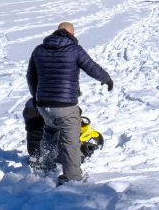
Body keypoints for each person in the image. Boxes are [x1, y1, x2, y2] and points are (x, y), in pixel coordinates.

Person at [26, 22, 113, 185]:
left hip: (44, 104)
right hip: (65, 105)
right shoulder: (74, 50)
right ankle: (72, 177)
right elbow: (92, 68)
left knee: (50, 131)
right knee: (70, 139)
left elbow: (31, 77)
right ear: (71, 33)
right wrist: (106, 79)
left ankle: (45, 165)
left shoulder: (39, 50)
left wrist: (37, 97)